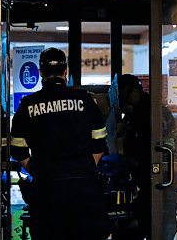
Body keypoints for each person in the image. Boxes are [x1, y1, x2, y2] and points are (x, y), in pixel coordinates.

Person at [10, 47, 110, 240]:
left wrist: (37, 169)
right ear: (66, 72)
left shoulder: (28, 104)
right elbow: (100, 142)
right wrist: (84, 167)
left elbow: (17, 148)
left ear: (40, 73)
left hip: (47, 191)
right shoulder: (85, 100)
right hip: (84, 191)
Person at [116, 74, 177, 240]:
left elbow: (146, 148)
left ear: (134, 91)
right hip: (154, 181)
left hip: (158, 180)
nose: (122, 98)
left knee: (160, 227)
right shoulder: (141, 112)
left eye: (123, 92)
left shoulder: (150, 113)